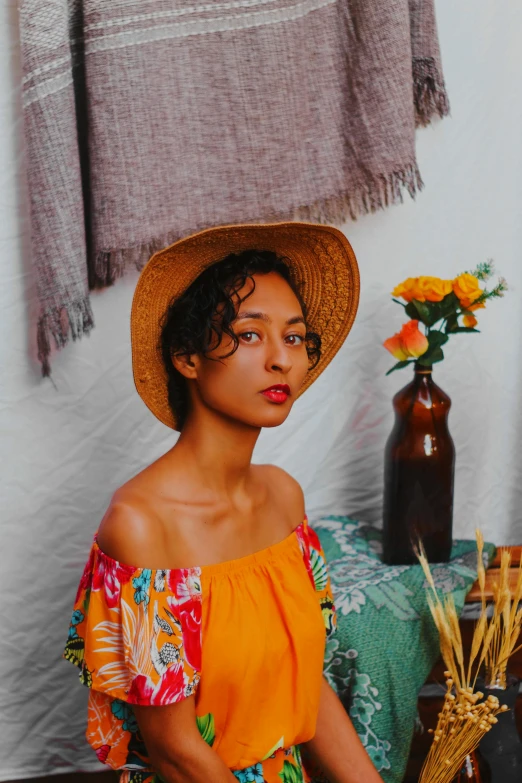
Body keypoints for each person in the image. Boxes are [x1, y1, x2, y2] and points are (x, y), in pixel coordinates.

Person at [64, 222, 383, 783]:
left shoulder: (284, 497)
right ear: (187, 356)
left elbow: (307, 686)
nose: (282, 360)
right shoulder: (141, 527)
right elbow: (177, 754)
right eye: (251, 334)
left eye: (293, 336)